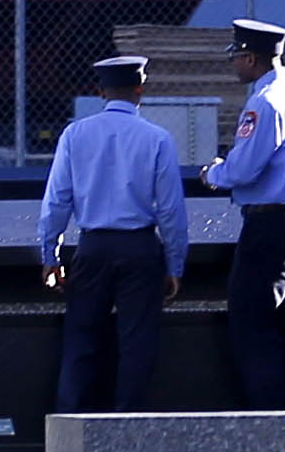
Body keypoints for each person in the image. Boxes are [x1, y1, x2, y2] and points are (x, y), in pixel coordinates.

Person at [39, 52, 187, 415]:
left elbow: (57, 200)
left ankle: (70, 425)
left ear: (101, 92)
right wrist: (175, 264)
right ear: (140, 89)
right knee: (137, 342)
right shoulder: (158, 138)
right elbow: (170, 209)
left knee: (81, 340)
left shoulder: (75, 135)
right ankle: (128, 426)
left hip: (91, 245)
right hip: (139, 247)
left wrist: (50, 256)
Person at [196, 18, 285, 412]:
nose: (235, 65)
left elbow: (244, 169)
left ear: (252, 58)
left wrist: (213, 174)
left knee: (254, 323)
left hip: (269, 221)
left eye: (238, 58)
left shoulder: (263, 103)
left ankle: (269, 419)